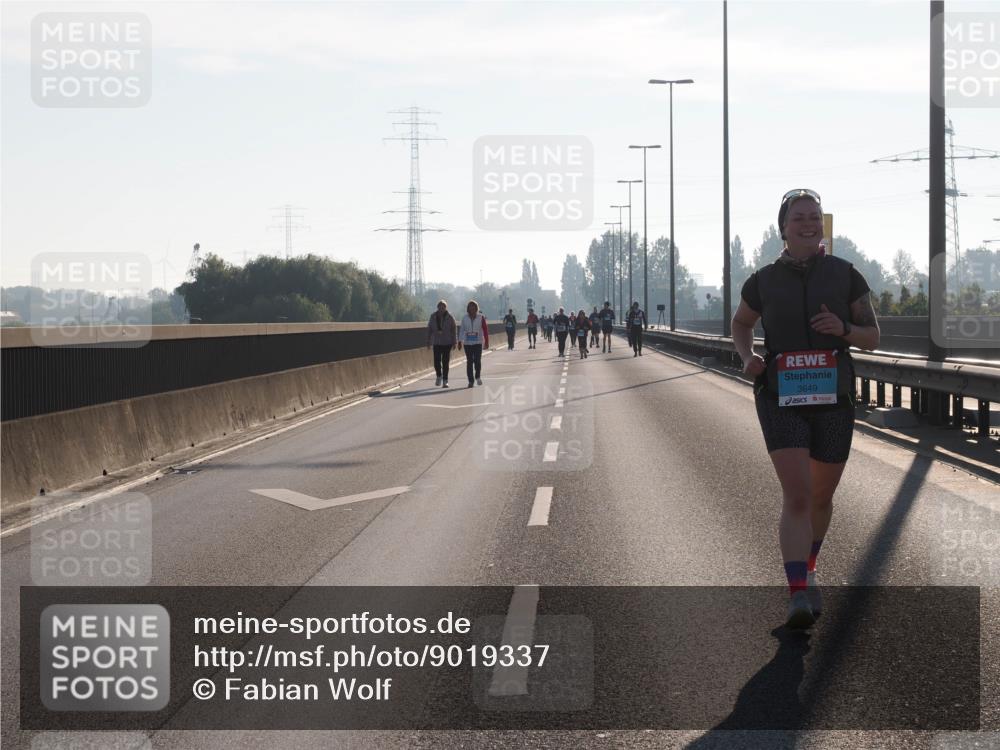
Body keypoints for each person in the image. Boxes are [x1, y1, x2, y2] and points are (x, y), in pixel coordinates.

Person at [731, 188, 880, 629]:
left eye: (814, 216)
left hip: (834, 398)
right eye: (799, 217)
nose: (809, 223)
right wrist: (747, 357)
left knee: (821, 495)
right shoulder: (762, 280)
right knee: (796, 494)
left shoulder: (846, 275)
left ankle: (810, 567)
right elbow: (741, 323)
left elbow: (873, 336)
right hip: (781, 397)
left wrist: (844, 328)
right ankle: (797, 592)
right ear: (783, 226)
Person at [458, 300, 490, 387]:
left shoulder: (481, 317)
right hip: (467, 343)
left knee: (477, 361)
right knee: (469, 361)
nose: (472, 308)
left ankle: (478, 376)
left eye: (473, 307)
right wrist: (460, 341)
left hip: (478, 342)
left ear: (476, 308)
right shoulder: (465, 318)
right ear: (468, 308)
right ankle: (470, 381)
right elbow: (462, 330)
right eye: (470, 307)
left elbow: (485, 330)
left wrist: (487, 341)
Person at [426, 300, 457, 387]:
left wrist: (454, 341)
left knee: (445, 362)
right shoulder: (433, 316)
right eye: (440, 307)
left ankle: (445, 380)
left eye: (443, 307)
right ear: (437, 307)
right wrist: (428, 341)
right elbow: (429, 329)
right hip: (437, 342)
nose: (441, 309)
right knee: (436, 361)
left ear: (445, 308)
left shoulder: (450, 317)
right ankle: (439, 376)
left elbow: (454, 330)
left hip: (447, 342)